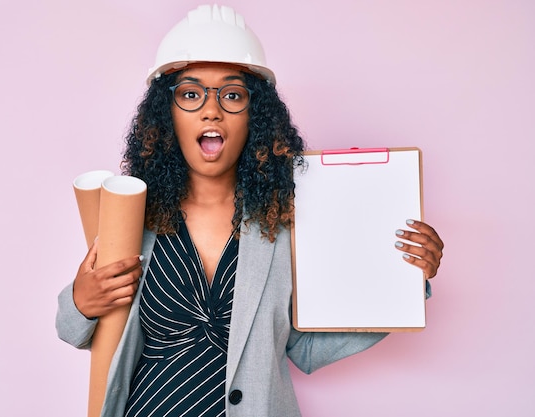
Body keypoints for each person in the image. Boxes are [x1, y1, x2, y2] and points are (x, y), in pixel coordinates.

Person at [56, 5, 444, 417]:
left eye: (232, 94)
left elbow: (306, 348)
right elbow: (73, 330)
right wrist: (81, 301)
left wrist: (404, 284)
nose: (211, 110)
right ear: (165, 113)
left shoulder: (283, 224)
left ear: (254, 114)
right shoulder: (135, 217)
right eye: (190, 93)